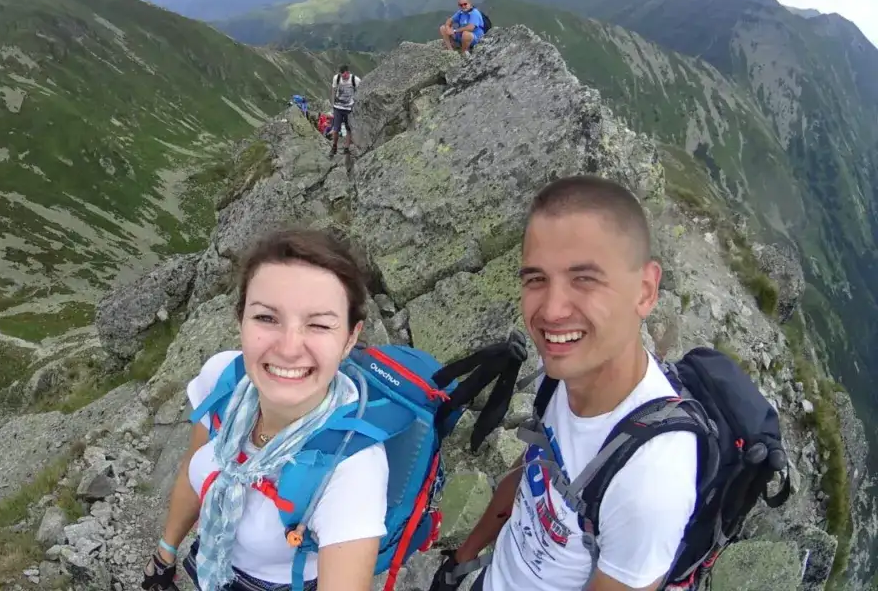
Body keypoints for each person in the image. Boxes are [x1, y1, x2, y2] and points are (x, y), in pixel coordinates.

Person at [444, 175, 698, 591]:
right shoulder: (568, 373)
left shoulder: (651, 481)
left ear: (645, 290)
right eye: (536, 279)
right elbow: (531, 472)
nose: (552, 310)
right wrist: (461, 560)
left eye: (584, 278)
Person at [142, 227, 389, 591]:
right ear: (241, 319)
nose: (289, 348)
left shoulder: (353, 466)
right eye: (267, 318)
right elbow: (194, 469)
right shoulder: (224, 378)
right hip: (211, 557)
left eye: (319, 324)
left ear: (350, 337)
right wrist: (166, 552)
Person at [328, 66, 357, 157]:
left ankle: (346, 148)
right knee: (336, 129)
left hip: (349, 109)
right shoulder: (336, 78)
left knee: (349, 129)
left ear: (348, 72)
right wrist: (332, 104)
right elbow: (333, 90)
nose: (343, 78)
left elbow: (361, 90)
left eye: (345, 76)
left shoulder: (355, 79)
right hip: (338, 108)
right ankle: (334, 147)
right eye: (342, 76)